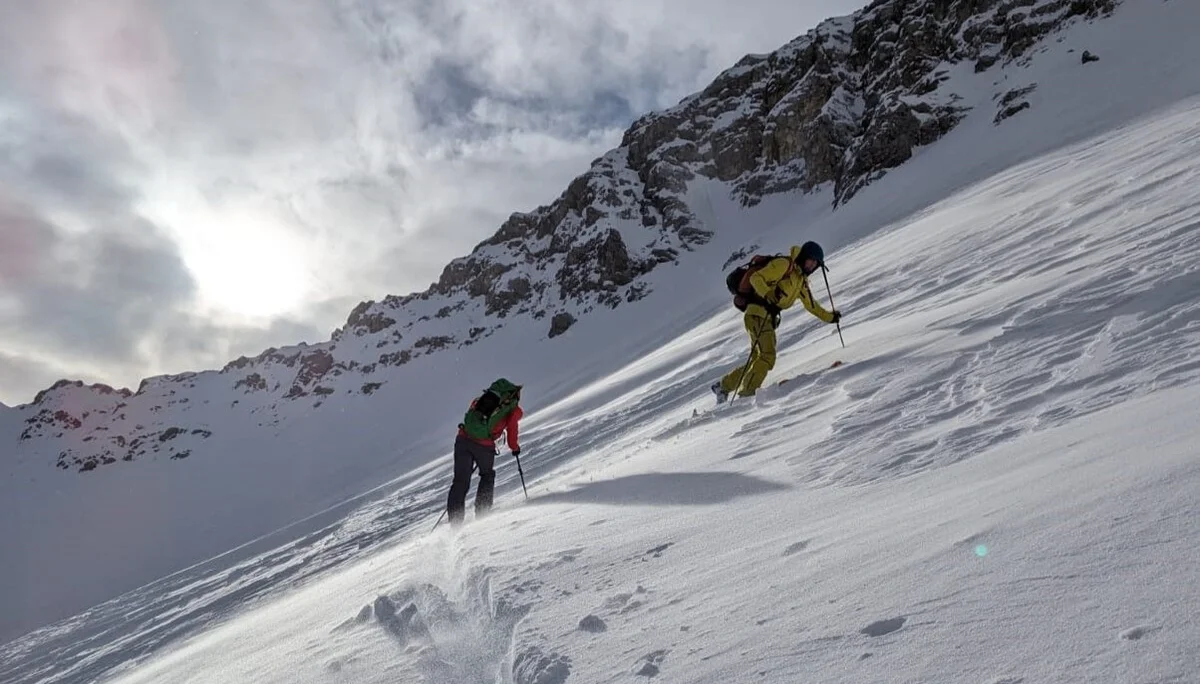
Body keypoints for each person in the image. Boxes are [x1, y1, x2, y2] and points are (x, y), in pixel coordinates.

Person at [712, 241, 841, 401]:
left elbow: (811, 305)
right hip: (757, 313)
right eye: (811, 260)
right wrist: (768, 294)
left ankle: (723, 386)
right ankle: (746, 395)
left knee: (757, 359)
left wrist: (831, 317)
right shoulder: (784, 265)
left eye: (815, 264)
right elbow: (755, 279)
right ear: (803, 257)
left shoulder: (800, 281)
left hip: (765, 317)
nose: (812, 266)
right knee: (767, 356)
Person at [447, 378, 523, 525]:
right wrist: (515, 448)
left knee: (460, 481)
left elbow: (471, 416)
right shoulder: (513, 409)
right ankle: (482, 515)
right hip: (484, 446)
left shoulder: (481, 400)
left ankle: (455, 523)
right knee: (487, 475)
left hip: (463, 440)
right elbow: (512, 434)